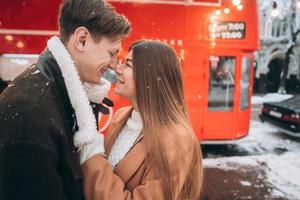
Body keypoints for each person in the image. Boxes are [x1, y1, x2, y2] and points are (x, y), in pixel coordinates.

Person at [0, 0, 131, 199]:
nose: (114, 65)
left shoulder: (55, 96)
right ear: (82, 39)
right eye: (111, 53)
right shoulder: (33, 118)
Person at [79, 40, 203, 200]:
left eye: (128, 65)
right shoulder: (121, 116)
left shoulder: (176, 140)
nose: (117, 69)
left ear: (150, 76)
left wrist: (91, 154)